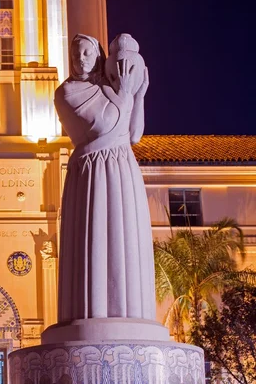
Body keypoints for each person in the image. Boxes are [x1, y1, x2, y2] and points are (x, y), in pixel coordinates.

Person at [54, 34, 154, 323]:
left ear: (98, 55)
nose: (80, 59)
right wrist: (126, 94)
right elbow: (106, 124)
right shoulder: (67, 93)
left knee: (124, 241)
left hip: (123, 169)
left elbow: (134, 134)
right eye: (75, 54)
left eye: (86, 53)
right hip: (92, 171)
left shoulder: (110, 89)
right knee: (93, 240)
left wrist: (138, 95)